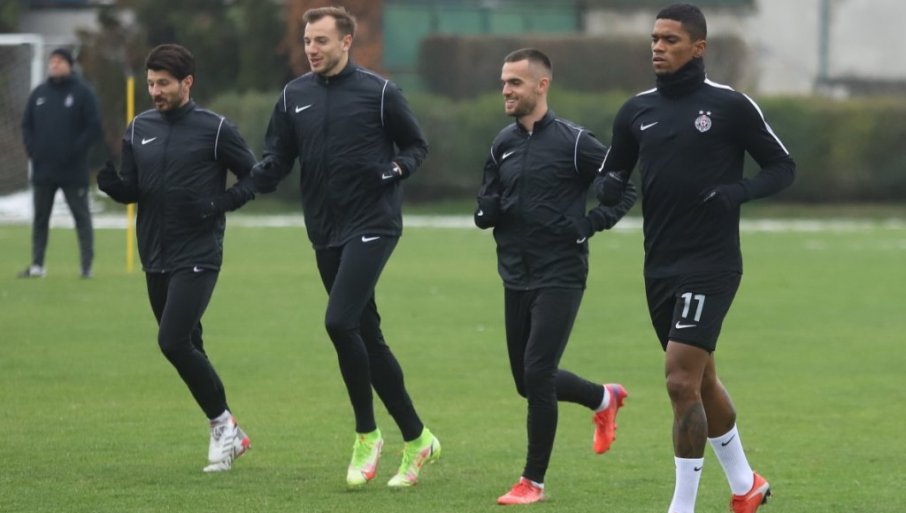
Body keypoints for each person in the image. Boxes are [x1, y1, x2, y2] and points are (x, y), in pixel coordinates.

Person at [595, 4, 796, 513]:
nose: (658, 47)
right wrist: (606, 187)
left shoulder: (730, 106)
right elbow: (612, 172)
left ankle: (681, 506)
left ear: (698, 48)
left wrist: (737, 192)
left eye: (670, 40)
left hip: (712, 263)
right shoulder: (635, 111)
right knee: (700, 378)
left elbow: (782, 166)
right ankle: (747, 484)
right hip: (659, 264)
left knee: (679, 379)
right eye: (654, 39)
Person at [250, 6, 439, 488]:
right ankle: (418, 438)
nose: (311, 49)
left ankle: (366, 434)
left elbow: (416, 147)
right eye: (307, 40)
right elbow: (276, 158)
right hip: (324, 229)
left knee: (338, 321)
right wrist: (243, 180)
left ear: (346, 42)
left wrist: (393, 170)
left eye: (321, 40)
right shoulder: (293, 96)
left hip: (374, 222)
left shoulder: (380, 93)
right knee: (366, 336)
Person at [474, 48, 637, 505]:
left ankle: (533, 482)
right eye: (504, 82)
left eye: (515, 83)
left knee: (539, 373)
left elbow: (624, 189)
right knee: (526, 381)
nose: (506, 90)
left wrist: (589, 224)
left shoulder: (575, 142)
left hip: (561, 272)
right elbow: (489, 195)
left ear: (541, 85)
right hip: (514, 272)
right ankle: (603, 398)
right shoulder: (502, 143)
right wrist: (486, 210)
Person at [96, 44, 257, 473]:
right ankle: (229, 432)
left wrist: (217, 204)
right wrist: (114, 187)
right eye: (151, 83)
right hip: (155, 253)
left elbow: (254, 176)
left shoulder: (215, 129)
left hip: (199, 253)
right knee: (188, 346)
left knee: (171, 340)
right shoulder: (139, 128)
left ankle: (223, 425)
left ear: (187, 83)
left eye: (163, 83)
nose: (155, 91)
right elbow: (134, 188)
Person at [19, 47, 102, 279]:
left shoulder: (83, 93)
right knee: (40, 219)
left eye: (59, 61)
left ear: (69, 65)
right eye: (52, 61)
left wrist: (74, 152)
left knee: (81, 218)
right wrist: (34, 151)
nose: (54, 64)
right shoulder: (39, 93)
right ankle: (37, 265)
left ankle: (86, 267)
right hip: (43, 170)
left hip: (72, 171)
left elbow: (94, 128)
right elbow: (26, 125)